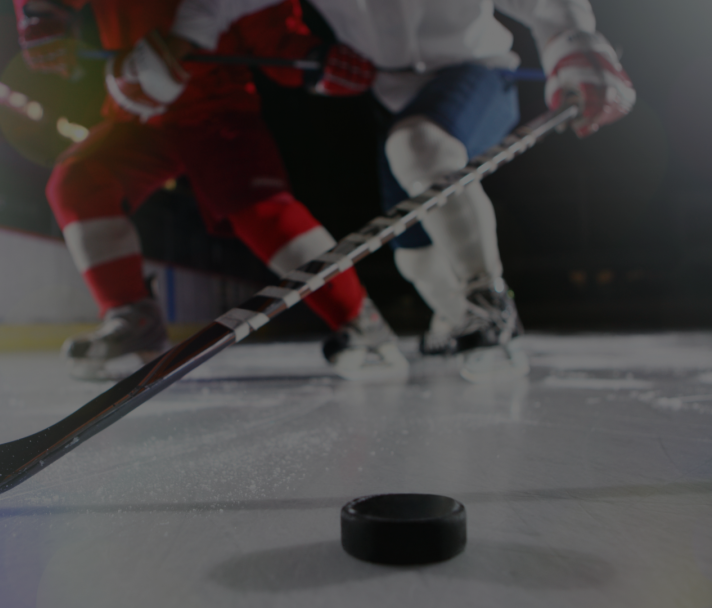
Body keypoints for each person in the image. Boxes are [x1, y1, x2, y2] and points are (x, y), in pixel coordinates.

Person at [166, 0, 635, 381]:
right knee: (415, 258)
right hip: (395, 97)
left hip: (478, 73)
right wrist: (172, 47)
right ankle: (458, 317)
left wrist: (575, 44)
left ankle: (490, 304)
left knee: (419, 145)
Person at [13, 0, 407, 379]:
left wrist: (315, 61)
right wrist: (38, 14)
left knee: (266, 214)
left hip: (219, 110)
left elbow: (270, 27)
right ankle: (133, 318)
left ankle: (361, 321)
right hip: (139, 110)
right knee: (79, 182)